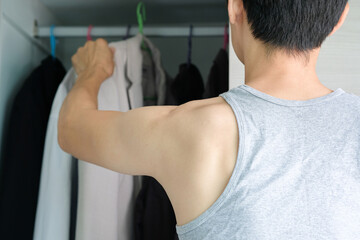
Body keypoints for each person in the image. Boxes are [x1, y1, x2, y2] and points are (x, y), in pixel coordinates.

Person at [59, 0, 360, 239]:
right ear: (339, 19)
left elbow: (72, 128)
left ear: (235, 7)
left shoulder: (194, 131)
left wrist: (94, 71)